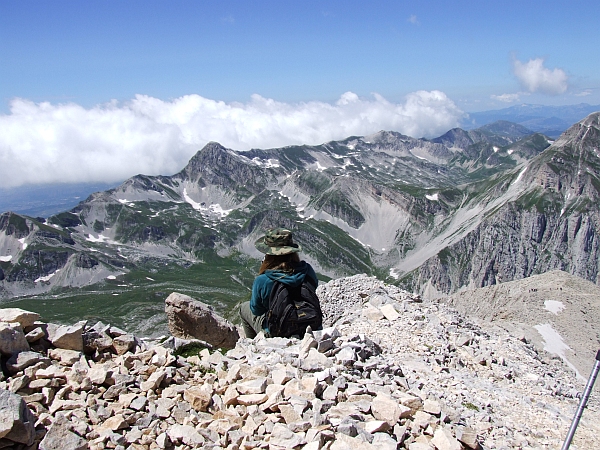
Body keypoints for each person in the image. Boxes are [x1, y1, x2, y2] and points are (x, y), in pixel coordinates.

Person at [239, 227, 319, 338]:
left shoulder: (263, 280)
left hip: (279, 332)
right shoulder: (307, 270)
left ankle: (253, 345)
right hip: (311, 327)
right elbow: (314, 287)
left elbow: (256, 310)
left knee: (243, 308)